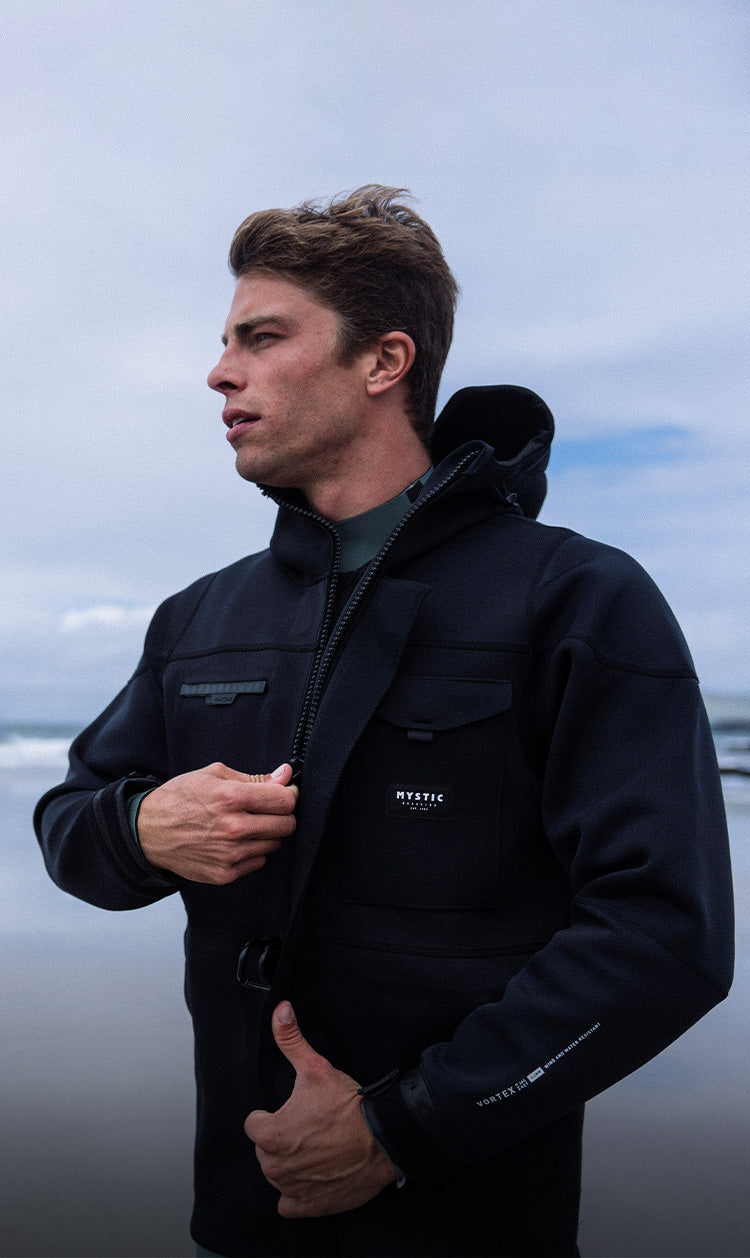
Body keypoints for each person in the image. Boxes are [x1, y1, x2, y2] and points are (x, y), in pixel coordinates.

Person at [34, 185, 734, 1258]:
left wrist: (402, 1129)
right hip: (241, 1214)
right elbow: (68, 819)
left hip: (472, 1220)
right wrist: (139, 827)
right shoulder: (200, 617)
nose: (220, 372)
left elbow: (665, 934)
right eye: (225, 342)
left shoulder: (578, 599)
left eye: (262, 338)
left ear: (383, 361)